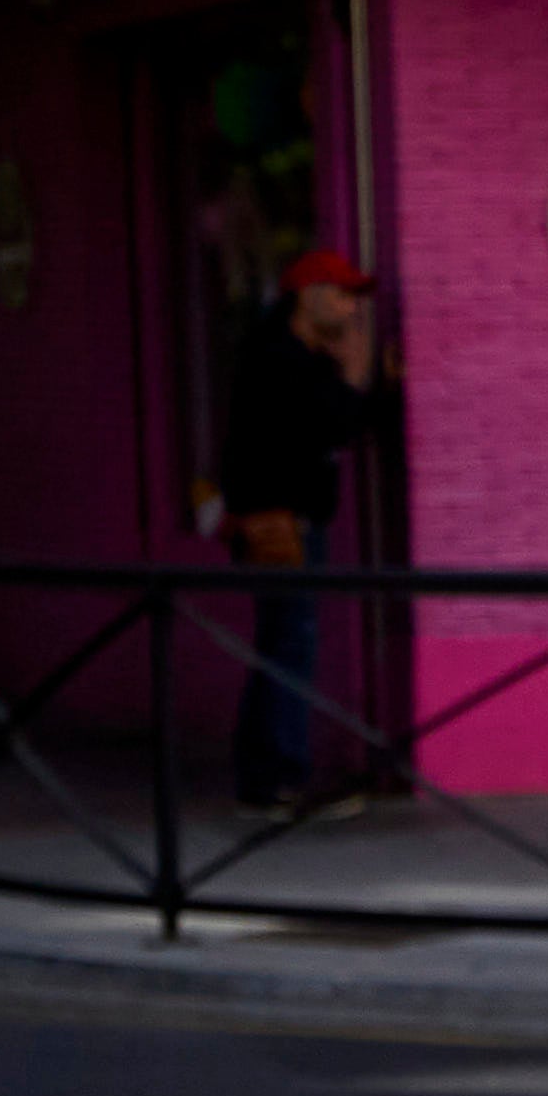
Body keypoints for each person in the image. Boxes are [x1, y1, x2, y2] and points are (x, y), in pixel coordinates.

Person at [217, 247, 385, 817]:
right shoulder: (280, 359)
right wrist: (356, 372)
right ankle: (282, 778)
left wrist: (362, 381)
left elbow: (353, 421)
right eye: (341, 294)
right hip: (281, 524)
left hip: (288, 520)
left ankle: (261, 776)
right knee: (290, 643)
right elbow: (332, 422)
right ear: (308, 297)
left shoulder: (300, 357)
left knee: (279, 643)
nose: (350, 309)